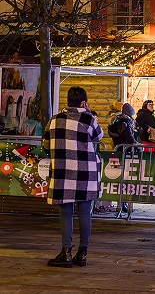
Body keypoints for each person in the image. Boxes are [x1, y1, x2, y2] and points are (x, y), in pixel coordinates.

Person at [42, 86, 103, 268]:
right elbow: (98, 136)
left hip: (62, 171)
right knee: (85, 212)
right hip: (86, 173)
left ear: (67, 101)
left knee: (65, 213)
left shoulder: (54, 120)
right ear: (84, 102)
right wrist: (89, 113)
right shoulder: (88, 118)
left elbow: (46, 144)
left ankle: (66, 251)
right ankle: (82, 252)